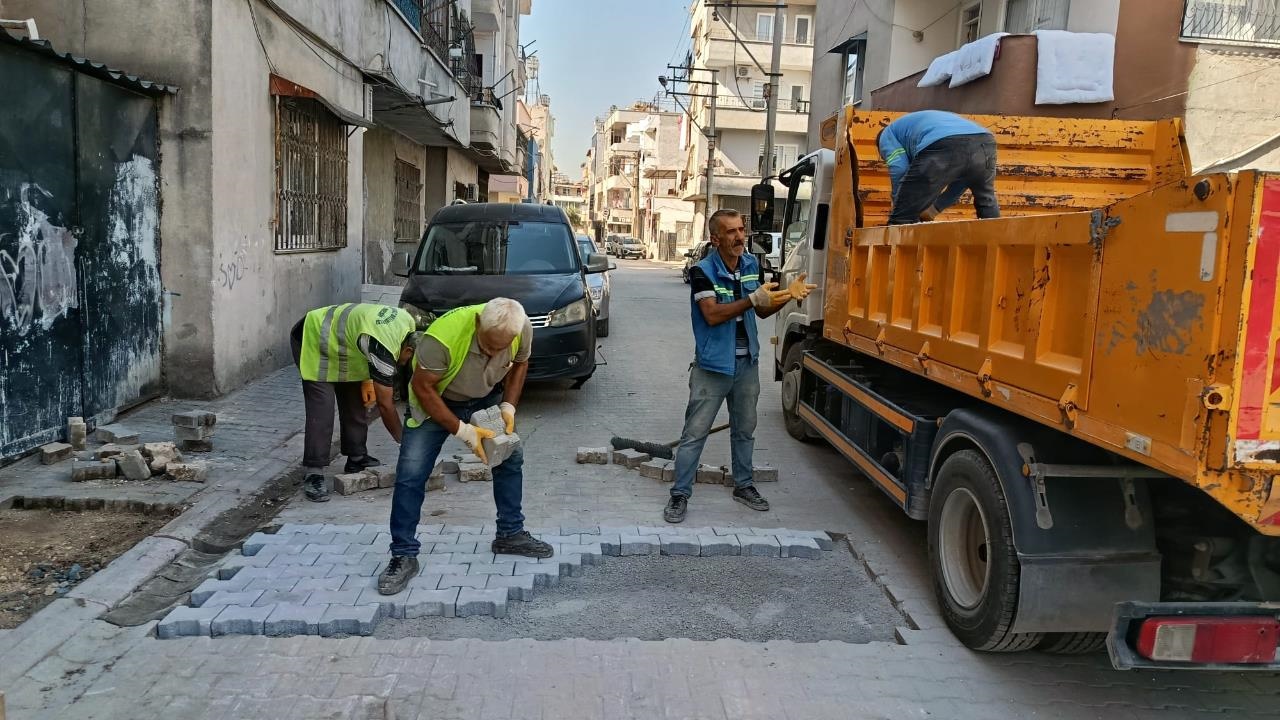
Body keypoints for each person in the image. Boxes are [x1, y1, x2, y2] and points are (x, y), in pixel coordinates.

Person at [377, 298, 552, 595]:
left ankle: (510, 533)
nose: (493, 354)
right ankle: (403, 554)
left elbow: (521, 363)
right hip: (436, 402)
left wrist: (508, 406)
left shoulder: (520, 327)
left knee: (510, 457)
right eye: (487, 347)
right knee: (411, 474)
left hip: (483, 398)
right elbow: (422, 387)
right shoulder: (442, 338)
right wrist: (463, 430)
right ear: (477, 324)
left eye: (500, 349)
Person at [663, 209, 815, 524]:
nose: (739, 237)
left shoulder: (749, 265)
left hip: (746, 364)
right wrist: (752, 300)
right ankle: (680, 494)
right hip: (712, 367)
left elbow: (760, 310)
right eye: (731, 232)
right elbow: (712, 315)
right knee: (695, 433)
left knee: (745, 430)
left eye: (741, 230)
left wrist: (788, 296)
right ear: (715, 238)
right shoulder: (702, 271)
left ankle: (743, 486)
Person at [291, 303, 419, 503]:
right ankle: (314, 472)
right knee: (322, 411)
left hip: (344, 348)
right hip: (314, 337)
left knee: (355, 403)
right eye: (408, 361)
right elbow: (385, 405)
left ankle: (356, 457)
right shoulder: (383, 346)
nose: (403, 365)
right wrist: (405, 442)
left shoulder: (408, 322)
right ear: (409, 350)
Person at [877, 109, 1000, 225]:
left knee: (903, 217)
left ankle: (898, 234)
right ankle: (996, 239)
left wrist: (898, 204)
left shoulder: (887, 135)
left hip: (944, 141)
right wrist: (935, 208)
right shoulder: (909, 127)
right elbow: (963, 181)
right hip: (985, 141)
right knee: (985, 201)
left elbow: (899, 168)